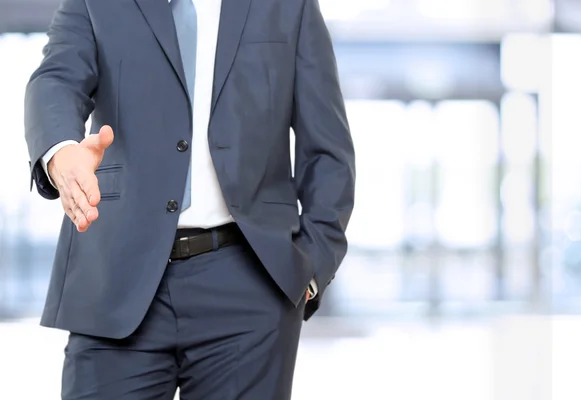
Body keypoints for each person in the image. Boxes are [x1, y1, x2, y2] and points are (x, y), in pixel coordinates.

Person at [23, 0, 355, 398]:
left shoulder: (288, 6)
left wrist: (311, 270)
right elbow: (55, 79)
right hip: (115, 279)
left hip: (249, 286)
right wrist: (60, 150)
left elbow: (328, 152)